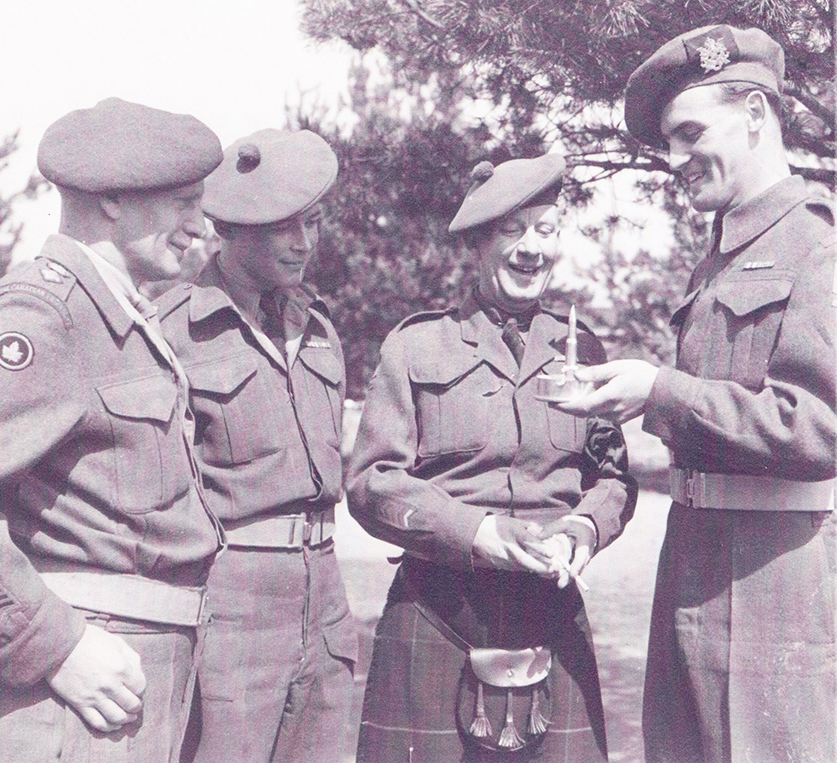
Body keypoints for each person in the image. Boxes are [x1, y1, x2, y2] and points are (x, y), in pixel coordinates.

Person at [0, 97, 226, 763]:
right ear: (113, 200)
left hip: (132, 683)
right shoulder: (44, 317)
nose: (200, 225)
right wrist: (52, 644)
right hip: (74, 697)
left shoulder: (120, 318)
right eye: (184, 202)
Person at [556, 24, 837, 763]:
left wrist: (660, 391)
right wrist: (645, 391)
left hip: (778, 582)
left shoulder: (817, 246)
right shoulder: (719, 257)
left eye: (689, 133)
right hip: (695, 564)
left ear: (754, 111)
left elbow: (820, 426)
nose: (675, 161)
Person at [347, 153, 638, 762]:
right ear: (478, 245)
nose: (530, 248)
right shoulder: (415, 344)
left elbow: (612, 478)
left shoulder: (581, 350)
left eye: (545, 229)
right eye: (511, 231)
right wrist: (475, 532)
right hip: (437, 608)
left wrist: (583, 530)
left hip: (552, 611)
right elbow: (373, 483)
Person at [158, 128, 357, 763]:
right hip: (231, 599)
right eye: (283, 228)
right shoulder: (171, 333)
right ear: (230, 230)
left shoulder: (318, 328)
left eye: (314, 223)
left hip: (325, 589)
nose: (304, 244)